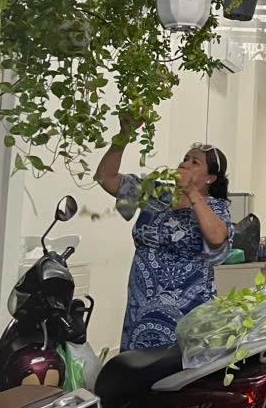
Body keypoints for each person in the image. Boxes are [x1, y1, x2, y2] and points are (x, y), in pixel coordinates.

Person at [95, 119, 234, 351]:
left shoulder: (215, 206)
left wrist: (190, 191)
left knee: (181, 368)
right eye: (185, 158)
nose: (185, 164)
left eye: (195, 162)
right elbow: (105, 178)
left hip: (188, 310)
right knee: (137, 365)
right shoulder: (155, 193)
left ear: (210, 179)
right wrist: (123, 135)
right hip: (142, 305)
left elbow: (218, 237)